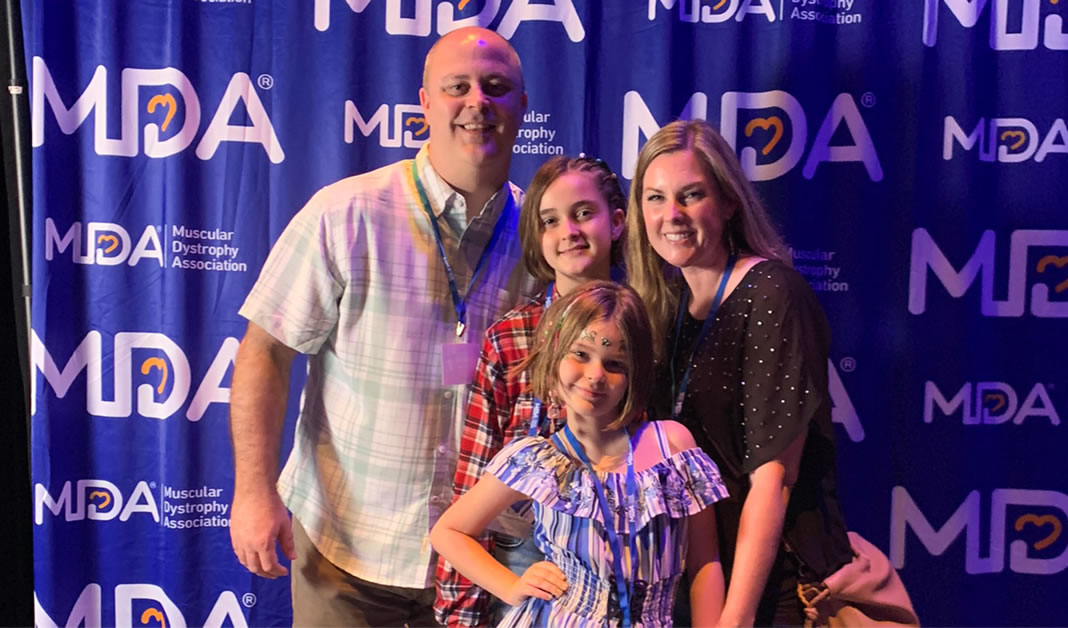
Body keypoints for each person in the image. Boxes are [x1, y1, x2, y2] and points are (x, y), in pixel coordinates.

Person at [228, 27, 532, 626]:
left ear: (522, 105)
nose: (479, 102)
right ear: (424, 103)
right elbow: (264, 353)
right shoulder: (346, 213)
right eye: (458, 87)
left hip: (481, 564)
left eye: (497, 88)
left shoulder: (543, 237)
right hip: (346, 554)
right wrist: (254, 492)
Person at [625, 120, 852, 626]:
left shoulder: (772, 293)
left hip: (773, 589)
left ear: (728, 202)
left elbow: (775, 480)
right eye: (655, 198)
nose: (671, 216)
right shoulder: (666, 305)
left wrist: (736, 617)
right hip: (697, 578)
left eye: (691, 195)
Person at [431, 282, 728, 627]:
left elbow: (706, 562)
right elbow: (448, 532)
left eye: (615, 363)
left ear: (635, 376)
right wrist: (511, 587)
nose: (595, 375)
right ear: (555, 358)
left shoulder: (672, 448)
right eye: (581, 354)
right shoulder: (535, 461)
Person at [435, 155, 629, 627]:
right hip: (525, 557)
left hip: (627, 557)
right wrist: (458, 611)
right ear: (537, 238)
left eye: (584, 212)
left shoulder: (648, 326)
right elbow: (474, 473)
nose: (569, 231)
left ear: (617, 221)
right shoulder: (511, 336)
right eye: (550, 220)